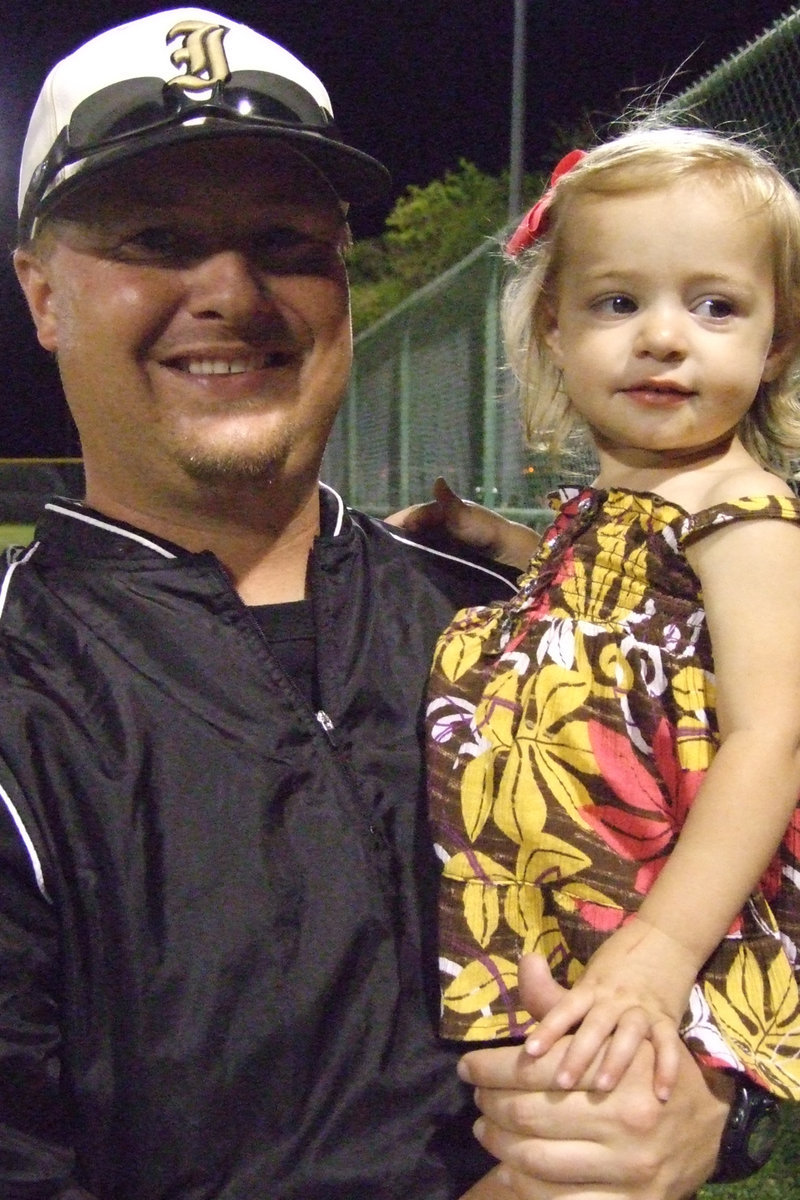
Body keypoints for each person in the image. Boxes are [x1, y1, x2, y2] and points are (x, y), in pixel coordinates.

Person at [1, 10, 741, 1197]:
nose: (230, 291)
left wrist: (710, 1088)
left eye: (285, 241)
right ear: (43, 297)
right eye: (156, 239)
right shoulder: (24, 694)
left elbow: (741, 871)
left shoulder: (513, 612)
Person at [425, 127, 800, 1130]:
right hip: (582, 895)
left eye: (714, 305)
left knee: (595, 1150)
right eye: (616, 302)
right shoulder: (622, 501)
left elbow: (774, 738)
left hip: (661, 911)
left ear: (775, 344)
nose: (663, 336)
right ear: (553, 329)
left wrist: (664, 948)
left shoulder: (744, 513)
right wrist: (487, 539)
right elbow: (612, 603)